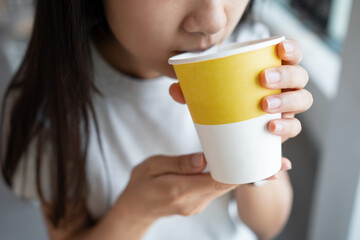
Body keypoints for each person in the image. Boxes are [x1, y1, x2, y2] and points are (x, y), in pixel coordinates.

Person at [0, 0, 313, 239]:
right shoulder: (49, 109)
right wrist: (136, 210)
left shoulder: (249, 52)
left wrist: (259, 147)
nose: (213, 20)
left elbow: (268, 224)